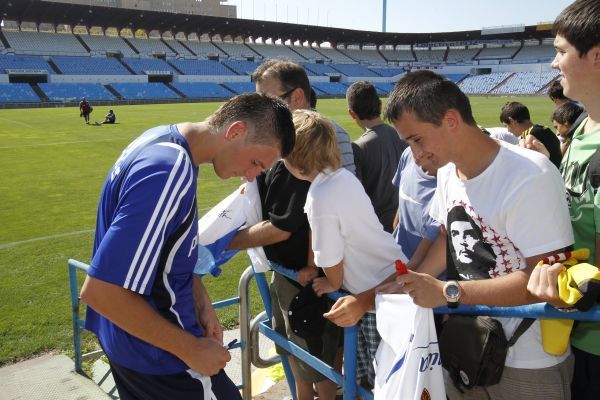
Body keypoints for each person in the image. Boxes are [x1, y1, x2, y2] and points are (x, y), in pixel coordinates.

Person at [79, 93, 295, 400]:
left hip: (133, 346)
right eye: (255, 163)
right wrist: (190, 349)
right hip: (162, 358)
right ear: (235, 132)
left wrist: (202, 303)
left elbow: (165, 255)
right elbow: (102, 291)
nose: (249, 176)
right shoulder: (169, 168)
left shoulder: (160, 142)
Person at [381, 70, 574, 400]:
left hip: (528, 363)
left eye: (418, 139)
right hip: (470, 347)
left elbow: (544, 281)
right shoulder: (447, 173)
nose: (415, 154)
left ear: (451, 120)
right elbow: (447, 236)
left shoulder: (530, 175)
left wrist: (448, 291)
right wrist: (408, 284)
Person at [228, 59, 354, 400]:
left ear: (297, 97)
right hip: (295, 273)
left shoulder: (306, 140)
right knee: (299, 361)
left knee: (318, 365)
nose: (260, 110)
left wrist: (225, 241)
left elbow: (309, 218)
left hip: (308, 279)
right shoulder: (296, 135)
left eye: (268, 100)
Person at [282, 109, 406, 389]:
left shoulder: (320, 196)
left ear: (295, 161)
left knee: (382, 375)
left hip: (377, 292)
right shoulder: (341, 178)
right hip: (388, 274)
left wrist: (331, 282)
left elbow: (330, 255)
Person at [527, 1, 600, 399]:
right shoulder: (581, 126)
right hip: (576, 332)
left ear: (596, 56)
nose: (554, 64)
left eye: (560, 51)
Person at [347, 81, 407, 233]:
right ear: (380, 105)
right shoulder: (404, 136)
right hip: (403, 221)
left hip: (377, 228)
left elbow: (357, 196)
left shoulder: (358, 148)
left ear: (352, 113)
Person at [499, 101, 563, 167]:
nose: (508, 130)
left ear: (512, 121)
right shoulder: (542, 129)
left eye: (506, 125)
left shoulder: (531, 135)